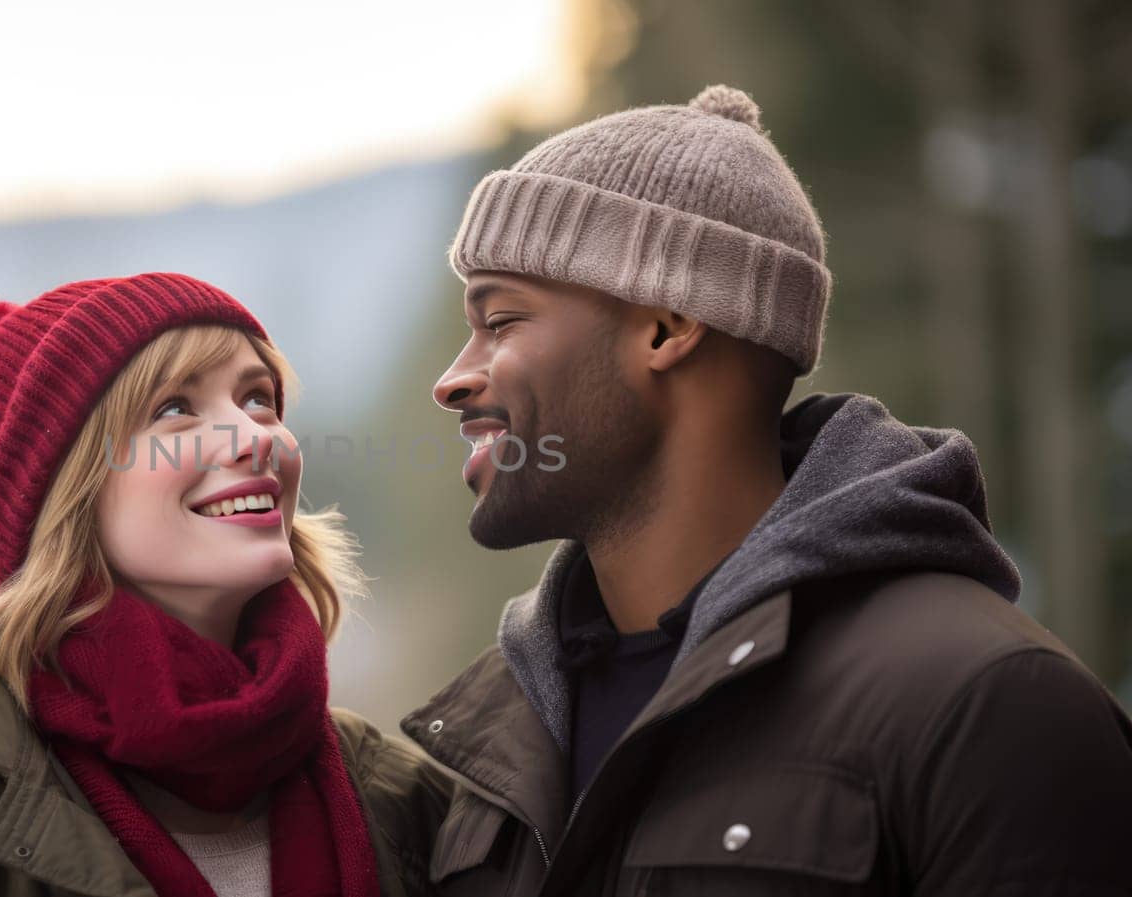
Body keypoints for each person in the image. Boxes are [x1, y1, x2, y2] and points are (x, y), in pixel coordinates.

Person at [401, 85, 1132, 896]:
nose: (452, 381)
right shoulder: (495, 749)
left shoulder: (989, 705)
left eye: (500, 321)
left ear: (669, 322)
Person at [0, 272, 447, 897]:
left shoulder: (407, 803)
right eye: (175, 407)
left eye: (259, 398)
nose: (255, 435)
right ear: (66, 494)